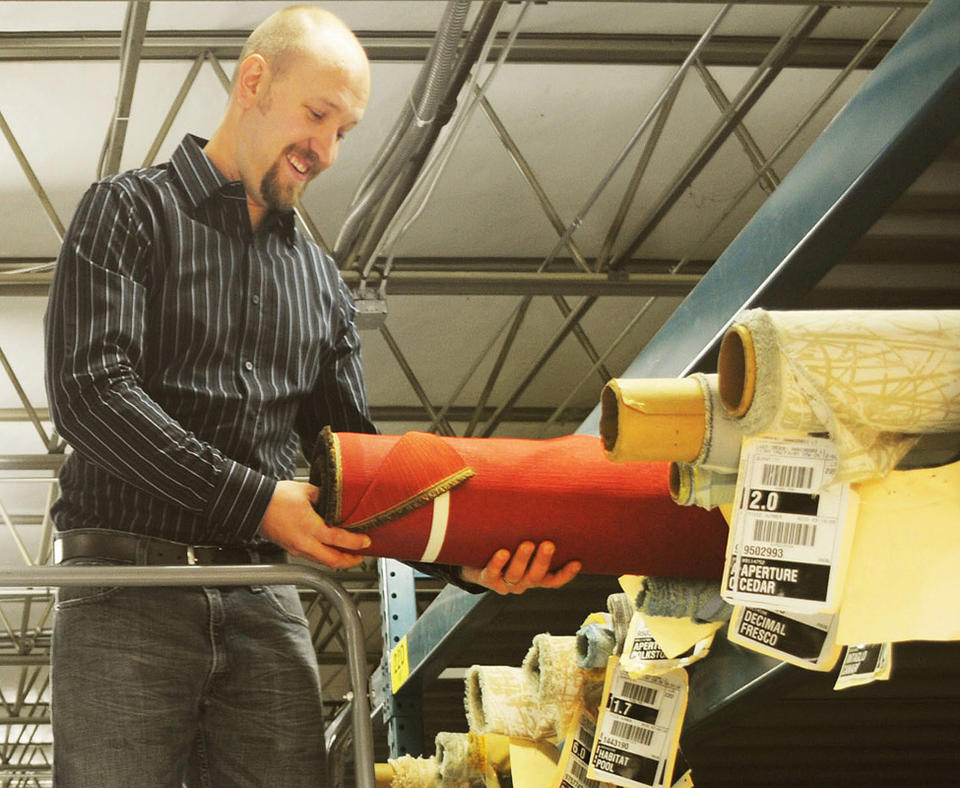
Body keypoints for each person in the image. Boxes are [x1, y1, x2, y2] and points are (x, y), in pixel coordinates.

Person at [44, 5, 580, 786]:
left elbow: (353, 467)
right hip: (128, 589)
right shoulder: (129, 211)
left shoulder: (321, 281)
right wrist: (258, 499)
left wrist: (471, 556)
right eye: (317, 115)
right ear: (254, 81)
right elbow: (91, 394)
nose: (325, 150)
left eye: (344, 131)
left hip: (268, 598)